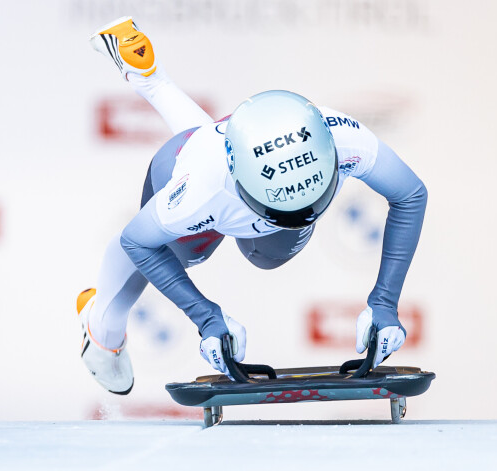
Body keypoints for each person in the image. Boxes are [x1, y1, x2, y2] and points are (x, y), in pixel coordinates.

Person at [78, 17, 427, 395]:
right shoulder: (203, 187)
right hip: (189, 169)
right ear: (240, 186)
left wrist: (385, 302)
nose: (295, 220)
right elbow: (136, 241)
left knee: (269, 253)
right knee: (181, 255)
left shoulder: (345, 137)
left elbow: (410, 195)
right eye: (280, 213)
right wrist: (205, 316)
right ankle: (101, 331)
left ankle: (146, 74)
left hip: (220, 157)